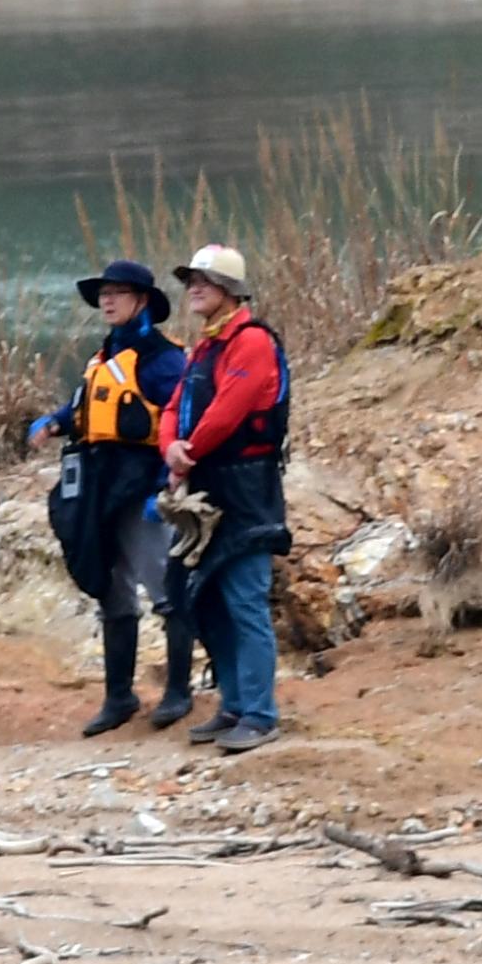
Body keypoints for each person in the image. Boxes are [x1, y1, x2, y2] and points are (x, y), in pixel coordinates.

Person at [29, 258, 192, 735]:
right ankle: (118, 697)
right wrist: (55, 422)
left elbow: (183, 421)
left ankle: (179, 692)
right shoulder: (103, 358)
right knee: (111, 591)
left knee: (166, 589)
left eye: (117, 292)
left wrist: (166, 484)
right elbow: (86, 407)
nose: (106, 299)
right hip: (101, 490)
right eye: (103, 292)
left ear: (142, 301)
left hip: (142, 489)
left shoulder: (164, 361)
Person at [157, 243, 291, 754]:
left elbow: (229, 410)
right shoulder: (206, 346)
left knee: (244, 599)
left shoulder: (250, 343)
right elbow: (174, 406)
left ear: (230, 291)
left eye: (204, 281)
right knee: (203, 599)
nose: (193, 287)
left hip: (245, 488)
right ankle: (235, 704)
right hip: (206, 482)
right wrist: (171, 445)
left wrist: (185, 452)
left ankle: (259, 713)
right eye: (191, 279)